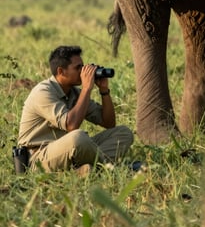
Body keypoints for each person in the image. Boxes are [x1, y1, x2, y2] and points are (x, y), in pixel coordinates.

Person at [17, 45, 134, 173]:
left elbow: (109, 123)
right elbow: (71, 125)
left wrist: (104, 90)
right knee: (78, 137)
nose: (83, 71)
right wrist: (86, 89)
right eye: (78, 68)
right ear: (61, 71)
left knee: (123, 133)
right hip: (38, 158)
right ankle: (110, 169)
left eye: (83, 66)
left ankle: (87, 170)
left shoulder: (75, 93)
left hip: (67, 151)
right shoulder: (43, 92)